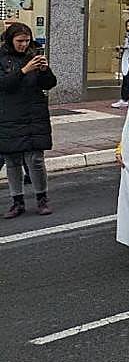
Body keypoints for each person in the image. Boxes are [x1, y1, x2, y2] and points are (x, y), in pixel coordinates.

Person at [0, 23, 56, 218]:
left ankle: (42, 198)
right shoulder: (2, 59)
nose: (24, 44)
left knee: (36, 160)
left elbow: (49, 83)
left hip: (34, 114)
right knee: (13, 160)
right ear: (10, 40)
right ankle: (17, 202)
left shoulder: (33, 56)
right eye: (19, 41)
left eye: (27, 40)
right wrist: (23, 71)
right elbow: (5, 85)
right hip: (9, 115)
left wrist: (44, 70)